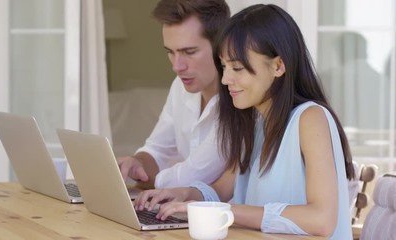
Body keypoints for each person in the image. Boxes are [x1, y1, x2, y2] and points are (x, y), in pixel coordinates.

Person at [133, 4, 355, 239]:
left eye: (237, 68)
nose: (226, 79)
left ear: (278, 66)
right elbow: (221, 190)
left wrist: (226, 212)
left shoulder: (311, 118)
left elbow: (321, 220)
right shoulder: (256, 121)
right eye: (224, 66)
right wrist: (184, 195)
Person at [117, 0, 230, 189]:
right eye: (171, 52)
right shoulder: (180, 87)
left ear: (222, 46)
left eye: (189, 52)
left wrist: (143, 179)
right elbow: (156, 150)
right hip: (182, 212)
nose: (177, 66)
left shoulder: (239, 100)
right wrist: (136, 163)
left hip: (226, 217)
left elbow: (189, 178)